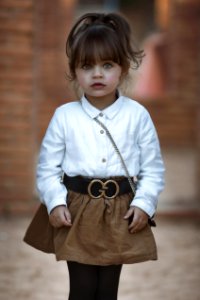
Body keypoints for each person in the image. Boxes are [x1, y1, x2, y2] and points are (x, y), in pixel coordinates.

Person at [24, 12, 165, 300]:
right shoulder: (64, 116)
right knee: (82, 288)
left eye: (107, 65)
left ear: (123, 69)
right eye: (87, 66)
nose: (97, 73)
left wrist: (144, 203)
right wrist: (54, 202)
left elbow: (153, 168)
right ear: (75, 71)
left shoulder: (137, 116)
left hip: (120, 212)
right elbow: (47, 167)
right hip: (76, 212)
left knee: (106, 291)